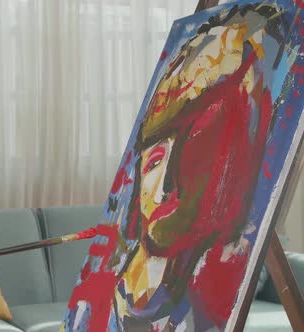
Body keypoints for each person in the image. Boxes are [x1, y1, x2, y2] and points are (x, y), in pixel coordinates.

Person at [63, 3, 287, 331]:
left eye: (193, 156)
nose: (168, 184)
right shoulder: (96, 302)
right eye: (154, 161)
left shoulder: (197, 310)